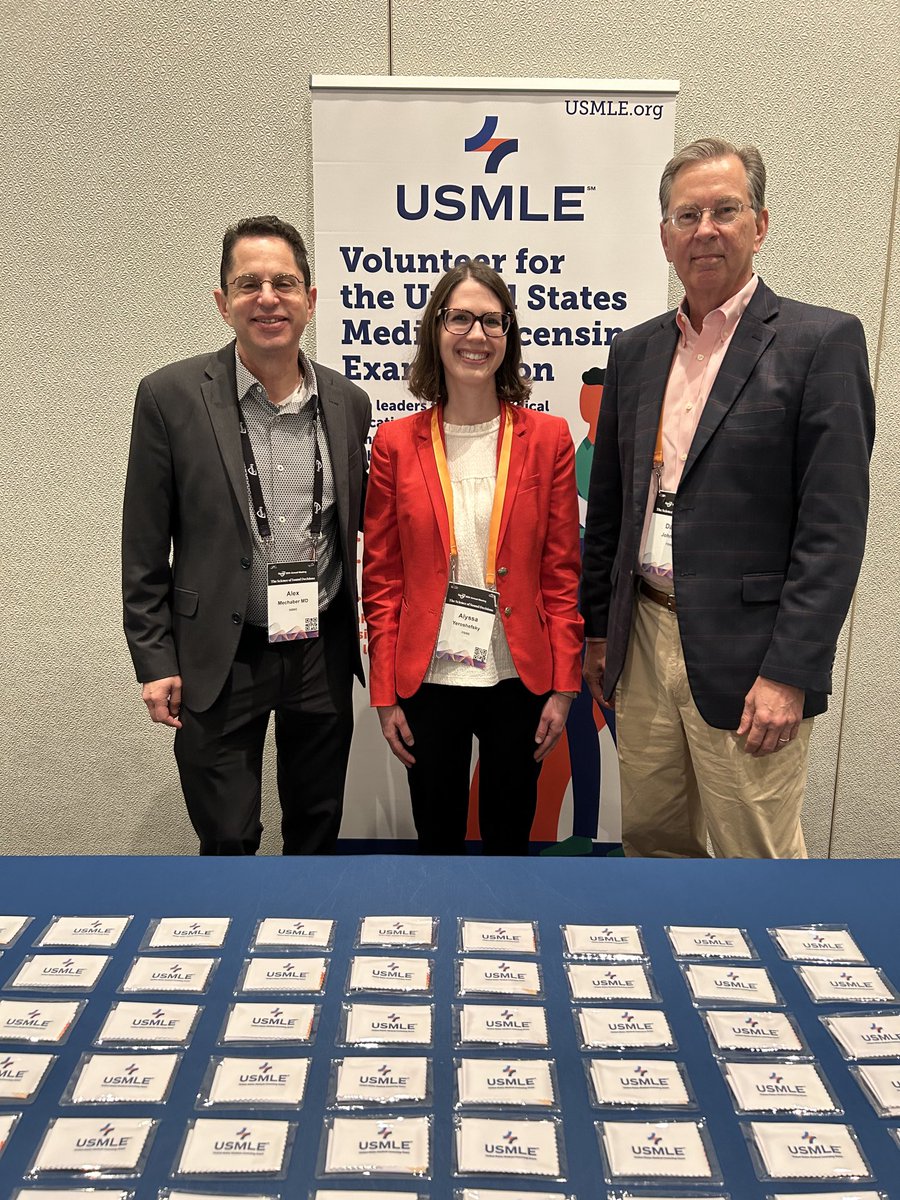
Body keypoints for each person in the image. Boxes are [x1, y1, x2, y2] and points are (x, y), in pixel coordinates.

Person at [581, 137, 875, 860]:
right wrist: (597, 630)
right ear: (664, 236)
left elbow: (831, 532)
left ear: (761, 224)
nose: (704, 229)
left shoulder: (820, 343)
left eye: (725, 210)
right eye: (687, 215)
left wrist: (790, 672)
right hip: (643, 638)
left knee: (758, 860)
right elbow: (612, 507)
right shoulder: (636, 352)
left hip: (753, 659)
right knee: (652, 845)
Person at [122, 215, 371, 855]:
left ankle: (302, 949)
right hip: (217, 654)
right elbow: (144, 547)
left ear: (311, 301)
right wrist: (154, 660)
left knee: (316, 828)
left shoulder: (347, 401)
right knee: (228, 838)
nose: (268, 298)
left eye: (284, 283)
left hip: (320, 645)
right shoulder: (169, 396)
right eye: (248, 284)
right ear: (222, 302)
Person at [362, 263, 583, 855]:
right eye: (459, 318)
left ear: (508, 336)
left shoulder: (549, 438)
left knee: (511, 840)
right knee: (436, 841)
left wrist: (563, 688)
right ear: (436, 330)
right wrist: (383, 694)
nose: (476, 334)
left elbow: (562, 572)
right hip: (427, 678)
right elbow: (381, 580)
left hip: (520, 677)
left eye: (492, 320)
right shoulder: (394, 444)